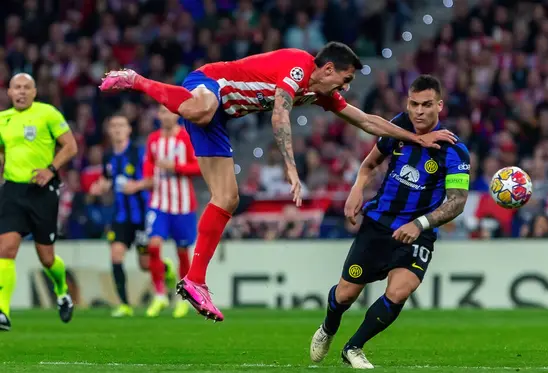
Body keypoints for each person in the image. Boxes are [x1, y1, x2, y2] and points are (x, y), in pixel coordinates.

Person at [100, 42, 456, 322]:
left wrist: (415, 138)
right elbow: (280, 111)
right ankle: (136, 80)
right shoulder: (299, 67)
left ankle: (195, 280)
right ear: (328, 68)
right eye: (344, 79)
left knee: (226, 199)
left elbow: (366, 121)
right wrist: (291, 167)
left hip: (222, 118)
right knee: (201, 108)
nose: (345, 86)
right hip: (209, 86)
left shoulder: (321, 93)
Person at [309, 75, 471, 368]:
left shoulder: (454, 150)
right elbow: (370, 163)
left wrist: (420, 224)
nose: (419, 111)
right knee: (345, 294)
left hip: (417, 231)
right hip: (379, 223)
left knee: (399, 291)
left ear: (440, 106)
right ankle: (328, 328)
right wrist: (357, 189)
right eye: (413, 104)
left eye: (426, 105)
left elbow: (458, 201)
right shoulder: (397, 129)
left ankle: (353, 347)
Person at [0, 73, 78, 331]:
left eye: (26, 88)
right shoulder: (3, 119)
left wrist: (50, 170)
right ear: (9, 92)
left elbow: (70, 146)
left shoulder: (48, 114)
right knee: (6, 248)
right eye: (16, 88)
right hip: (12, 190)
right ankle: (3, 311)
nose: (21, 92)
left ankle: (62, 290)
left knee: (46, 258)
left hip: (42, 191)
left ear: (34, 92)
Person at [90, 113, 175, 317]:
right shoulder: (109, 156)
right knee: (116, 254)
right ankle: (125, 304)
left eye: (121, 125)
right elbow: (108, 178)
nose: (117, 129)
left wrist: (135, 186)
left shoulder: (139, 152)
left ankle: (166, 269)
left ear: (129, 129)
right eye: (113, 126)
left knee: (145, 264)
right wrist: (100, 186)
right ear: (109, 131)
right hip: (120, 217)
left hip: (142, 215)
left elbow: (154, 179)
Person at [124, 106, 201, 318]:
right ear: (158, 115)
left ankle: (183, 298)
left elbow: (199, 167)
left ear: (177, 115)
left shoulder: (187, 138)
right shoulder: (153, 139)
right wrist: (144, 182)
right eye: (162, 112)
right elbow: (149, 164)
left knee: (182, 252)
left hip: (183, 205)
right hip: (158, 203)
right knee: (153, 245)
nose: (165, 116)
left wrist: (175, 166)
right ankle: (159, 296)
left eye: (169, 112)